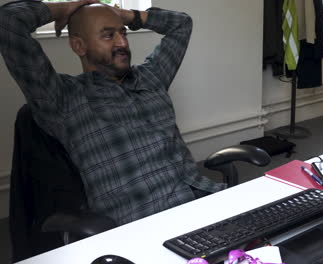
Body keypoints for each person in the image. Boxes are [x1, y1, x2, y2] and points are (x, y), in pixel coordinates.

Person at [0, 0, 225, 226]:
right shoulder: (61, 99)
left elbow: (181, 24)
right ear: (79, 46)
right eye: (108, 36)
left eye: (123, 33)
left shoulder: (152, 76)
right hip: (145, 225)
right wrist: (65, 9)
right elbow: (8, 21)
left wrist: (125, 15)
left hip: (205, 200)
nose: (122, 43)